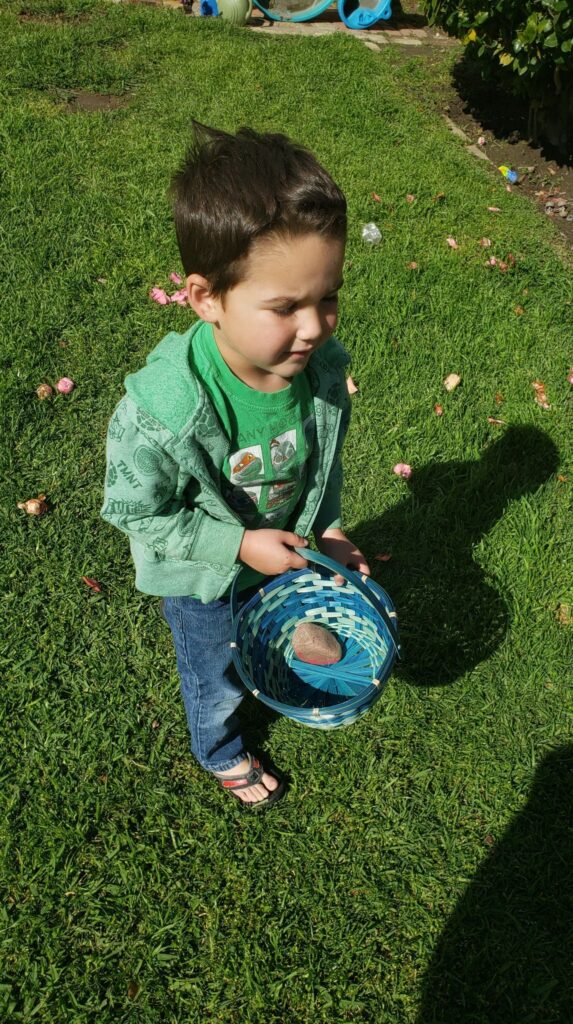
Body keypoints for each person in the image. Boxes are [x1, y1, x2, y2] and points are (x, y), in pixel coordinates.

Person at [101, 122, 370, 809]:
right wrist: (238, 544)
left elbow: (317, 468)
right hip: (205, 582)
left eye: (327, 297)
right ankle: (218, 748)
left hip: (285, 548)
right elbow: (133, 509)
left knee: (280, 617)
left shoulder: (317, 374)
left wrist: (330, 527)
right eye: (284, 307)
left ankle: (279, 628)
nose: (313, 327)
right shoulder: (161, 410)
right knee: (214, 670)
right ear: (204, 297)